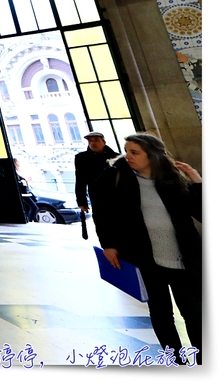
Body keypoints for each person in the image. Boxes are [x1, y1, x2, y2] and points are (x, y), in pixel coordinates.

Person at [93, 133, 202, 364]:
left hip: (183, 258)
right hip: (145, 259)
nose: (128, 156)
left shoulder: (172, 179)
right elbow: (102, 212)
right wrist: (108, 245)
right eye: (127, 151)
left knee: (195, 313)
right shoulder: (117, 177)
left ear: (152, 155)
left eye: (135, 152)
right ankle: (175, 361)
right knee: (162, 314)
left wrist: (197, 181)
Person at [74, 131, 117, 213]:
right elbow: (80, 180)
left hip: (117, 195)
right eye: (90, 141)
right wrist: (82, 201)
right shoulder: (82, 158)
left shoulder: (116, 157)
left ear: (104, 142)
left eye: (96, 140)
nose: (92, 143)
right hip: (97, 197)